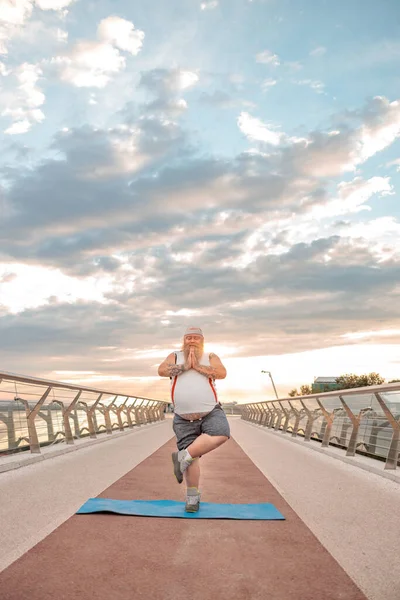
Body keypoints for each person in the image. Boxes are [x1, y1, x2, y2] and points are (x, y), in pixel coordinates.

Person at [158, 326, 230, 512]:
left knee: (221, 433)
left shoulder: (211, 356)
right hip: (182, 416)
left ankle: (181, 457)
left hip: (210, 411)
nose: (191, 341)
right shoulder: (175, 356)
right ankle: (192, 498)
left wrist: (197, 367)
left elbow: (221, 373)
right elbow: (161, 370)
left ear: (202, 341)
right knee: (193, 459)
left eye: (195, 338)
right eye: (188, 337)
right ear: (183, 340)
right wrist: (184, 367)